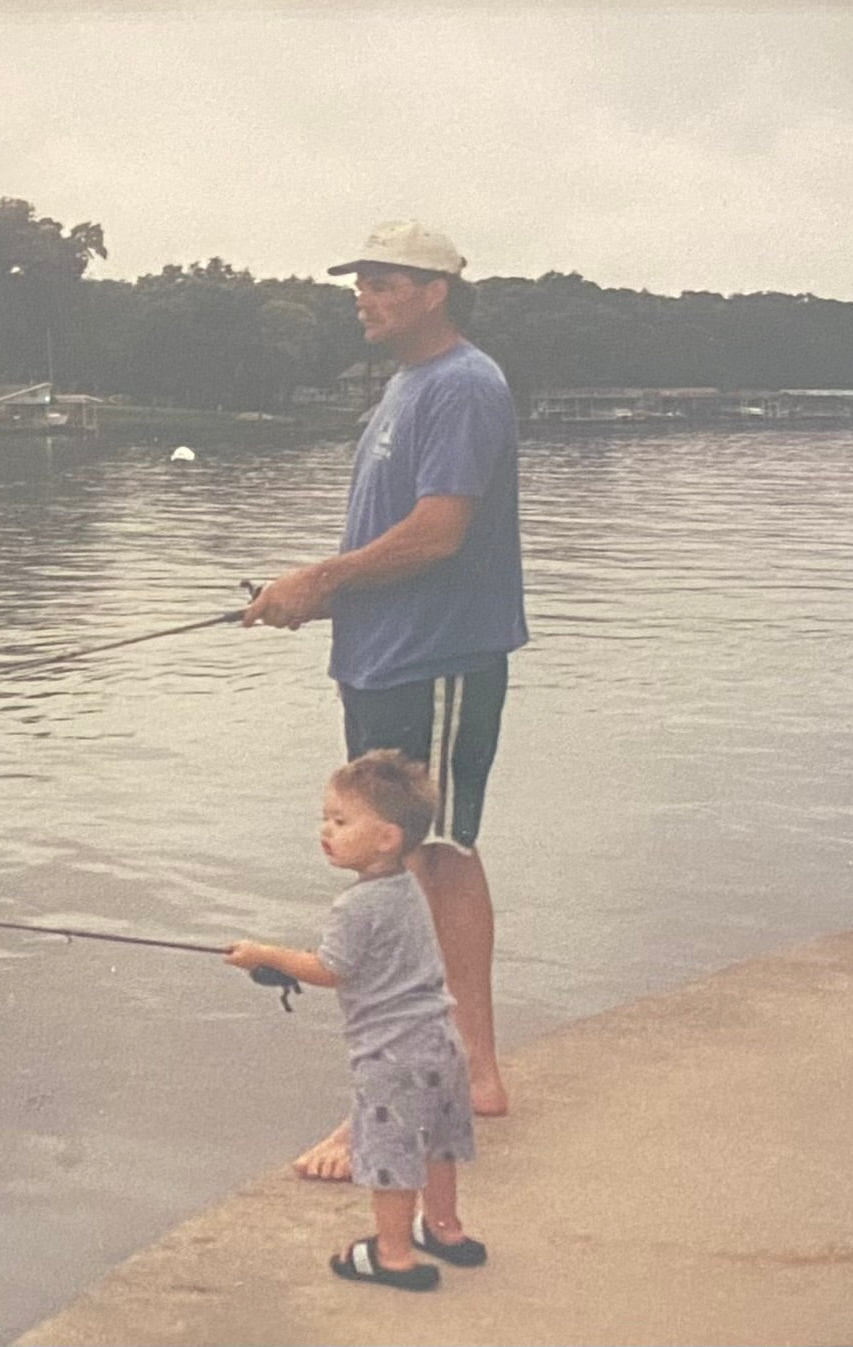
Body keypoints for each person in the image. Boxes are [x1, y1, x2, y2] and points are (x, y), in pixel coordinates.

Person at [243, 219, 528, 1181]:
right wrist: (320, 596)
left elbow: (441, 532)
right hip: (382, 658)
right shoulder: (405, 388)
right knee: (400, 863)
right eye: (359, 280)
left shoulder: (462, 385)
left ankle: (425, 1086)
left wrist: (321, 576)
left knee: (428, 858)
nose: (363, 294)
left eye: (384, 281)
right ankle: (456, 1074)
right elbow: (394, 539)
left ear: (437, 290)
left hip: (438, 659)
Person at [225, 751, 489, 1291]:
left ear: (387, 838)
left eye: (341, 822)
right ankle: (445, 1229)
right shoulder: (407, 890)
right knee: (439, 1145)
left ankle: (392, 1256)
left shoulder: (355, 905)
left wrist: (265, 955)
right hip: (440, 1041)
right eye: (325, 818)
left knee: (390, 1155)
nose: (326, 830)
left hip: (391, 1056)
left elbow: (330, 970)